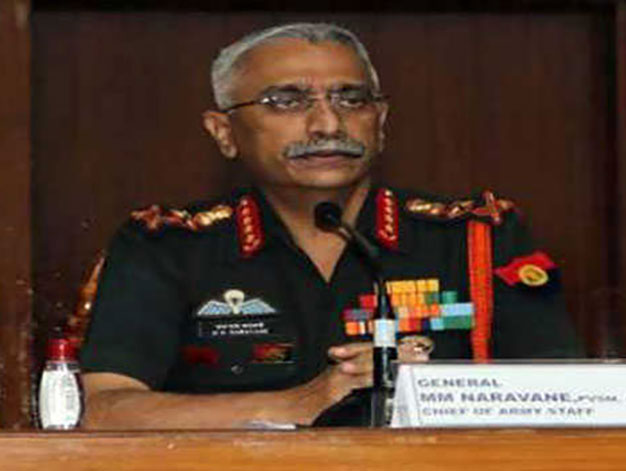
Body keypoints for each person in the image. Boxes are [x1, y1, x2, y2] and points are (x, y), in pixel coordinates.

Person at [79, 22, 582, 430]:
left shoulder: (477, 237)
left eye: (351, 99)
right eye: (287, 100)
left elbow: (569, 399)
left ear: (380, 121)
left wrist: (432, 392)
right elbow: (105, 411)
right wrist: (302, 402)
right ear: (224, 132)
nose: (327, 125)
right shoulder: (167, 246)